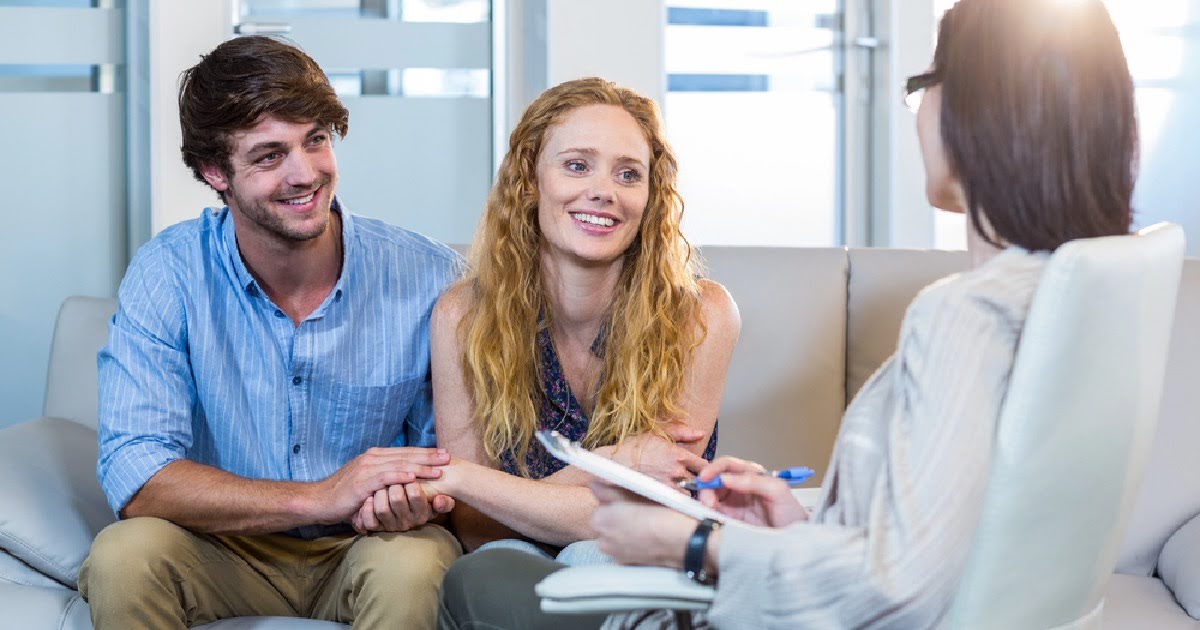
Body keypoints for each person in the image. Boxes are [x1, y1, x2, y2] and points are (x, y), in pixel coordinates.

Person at [438, 0, 1138, 627]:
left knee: (488, 585)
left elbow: (902, 587)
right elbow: (943, 530)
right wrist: (791, 515)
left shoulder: (962, 316)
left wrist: (697, 543)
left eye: (923, 84)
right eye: (577, 166)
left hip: (753, 605)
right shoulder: (1081, 297)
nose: (918, 109)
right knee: (491, 570)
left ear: (980, 112)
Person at [79, 36, 464, 630]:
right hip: (221, 548)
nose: (305, 173)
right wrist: (317, 496)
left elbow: (460, 459)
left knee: (415, 566)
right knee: (123, 556)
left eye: (315, 139)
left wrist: (419, 500)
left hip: (368, 548)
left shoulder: (431, 278)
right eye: (269, 156)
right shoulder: (168, 273)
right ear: (214, 172)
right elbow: (138, 473)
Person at [410, 77, 740, 562]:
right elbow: (475, 527)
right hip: (506, 569)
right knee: (492, 573)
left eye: (628, 174)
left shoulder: (700, 314)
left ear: (652, 196)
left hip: (644, 566)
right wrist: (616, 461)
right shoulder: (463, 316)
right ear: (529, 182)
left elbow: (651, 511)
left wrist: (474, 483)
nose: (603, 191)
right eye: (577, 166)